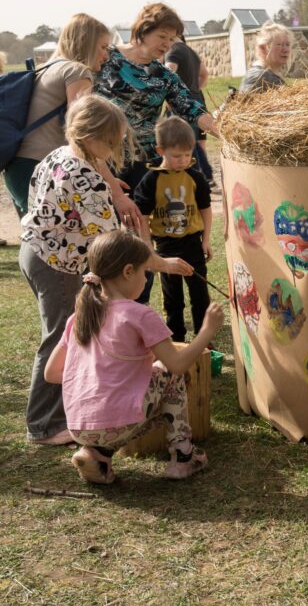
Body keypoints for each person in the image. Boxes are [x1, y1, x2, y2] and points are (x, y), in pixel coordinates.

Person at [19, 95, 193, 446]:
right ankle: (43, 425)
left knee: (66, 335)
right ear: (87, 134)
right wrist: (160, 262)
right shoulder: (85, 177)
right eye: (110, 141)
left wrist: (112, 186)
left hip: (34, 250)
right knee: (58, 337)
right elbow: (114, 244)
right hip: (56, 264)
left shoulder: (61, 153)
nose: (114, 149)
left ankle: (72, 409)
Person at [44, 230, 223, 483]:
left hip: (77, 426)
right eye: (145, 272)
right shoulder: (139, 314)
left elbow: (51, 373)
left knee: (136, 392)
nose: (145, 278)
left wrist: (99, 376)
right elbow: (178, 363)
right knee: (169, 374)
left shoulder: (79, 317)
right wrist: (207, 331)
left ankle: (98, 456)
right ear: (129, 272)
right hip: (116, 422)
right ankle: (184, 457)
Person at [5, 14, 142, 230]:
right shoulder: (77, 72)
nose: (106, 55)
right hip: (44, 169)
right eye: (103, 47)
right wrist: (117, 195)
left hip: (19, 169)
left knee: (41, 244)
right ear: (85, 43)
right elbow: (86, 137)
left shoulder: (47, 68)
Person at [94, 3, 217, 193]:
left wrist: (221, 129)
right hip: (102, 158)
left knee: (141, 220)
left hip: (143, 163)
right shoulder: (107, 58)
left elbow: (190, 106)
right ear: (143, 31)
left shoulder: (164, 76)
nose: (167, 44)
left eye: (171, 39)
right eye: (161, 36)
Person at [133, 117, 212, 343]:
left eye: (188, 154)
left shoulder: (195, 176)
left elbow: (206, 209)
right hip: (166, 247)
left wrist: (205, 241)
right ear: (161, 150)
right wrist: (149, 249)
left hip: (192, 243)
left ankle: (203, 339)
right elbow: (142, 217)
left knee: (200, 294)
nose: (183, 160)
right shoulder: (151, 180)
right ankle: (176, 338)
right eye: (177, 156)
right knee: (172, 298)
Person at [164, 36, 215, 186]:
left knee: (184, 144)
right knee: (193, 143)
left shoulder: (173, 51)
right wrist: (195, 90)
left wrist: (169, 96)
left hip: (181, 104)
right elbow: (204, 74)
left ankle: (196, 182)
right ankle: (206, 177)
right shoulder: (191, 52)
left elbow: (168, 74)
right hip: (196, 100)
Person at [239, 22, 291, 94]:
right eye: (279, 45)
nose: (285, 50)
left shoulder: (269, 75)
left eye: (287, 44)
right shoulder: (259, 77)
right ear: (263, 48)